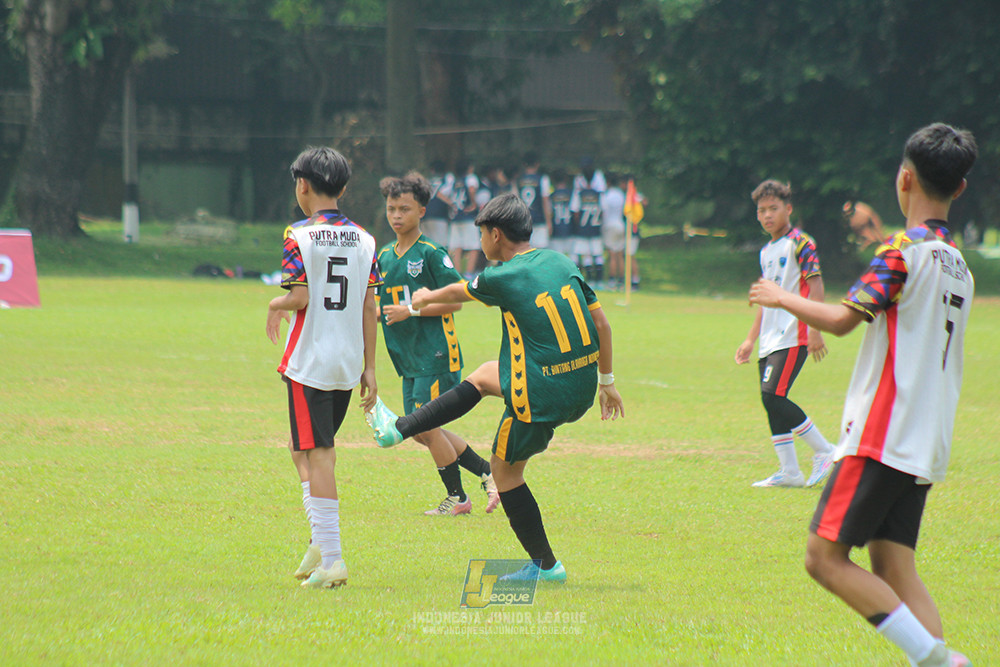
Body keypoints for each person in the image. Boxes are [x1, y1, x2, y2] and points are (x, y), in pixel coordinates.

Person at [749, 122, 976, 667]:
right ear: (960, 189)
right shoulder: (961, 266)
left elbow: (841, 320)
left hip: (882, 431)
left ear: (903, 180)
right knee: (894, 565)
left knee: (823, 557)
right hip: (927, 438)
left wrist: (781, 297)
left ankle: (942, 661)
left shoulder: (902, 251)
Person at [366, 193, 625, 583]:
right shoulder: (559, 260)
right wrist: (607, 382)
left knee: (504, 473)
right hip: (582, 385)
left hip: (540, 394)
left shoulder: (502, 276)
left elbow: (458, 292)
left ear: (496, 234)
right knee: (488, 373)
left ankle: (545, 566)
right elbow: (602, 325)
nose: (480, 244)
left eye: (482, 235)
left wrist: (422, 299)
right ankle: (400, 428)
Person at [265, 146, 381, 589]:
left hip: (309, 360)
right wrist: (371, 368)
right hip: (347, 361)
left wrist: (276, 304)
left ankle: (332, 558)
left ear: (302, 186)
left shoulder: (298, 234)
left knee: (319, 455)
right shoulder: (367, 239)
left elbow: (299, 297)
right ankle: (319, 539)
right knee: (302, 449)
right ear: (344, 188)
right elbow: (370, 306)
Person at [375, 172, 499, 516]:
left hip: (436, 354)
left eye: (405, 208)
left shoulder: (432, 253)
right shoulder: (384, 256)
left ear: (422, 211)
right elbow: (386, 306)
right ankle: (488, 472)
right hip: (409, 358)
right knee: (422, 431)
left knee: (425, 427)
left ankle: (458, 498)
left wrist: (412, 311)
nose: (397, 215)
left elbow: (457, 301)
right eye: (391, 209)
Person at [735, 179, 835, 488]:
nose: (767, 216)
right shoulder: (766, 251)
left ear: (788, 209)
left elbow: (816, 285)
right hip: (770, 339)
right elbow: (765, 300)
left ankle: (825, 450)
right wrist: (751, 339)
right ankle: (789, 471)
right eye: (761, 210)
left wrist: (816, 329)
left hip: (795, 333)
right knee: (770, 401)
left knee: (773, 396)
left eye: (773, 209)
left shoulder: (802, 243)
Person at [448, 158, 482, 280]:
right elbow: (472, 189)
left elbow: (442, 193)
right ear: (469, 168)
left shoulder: (453, 181)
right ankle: (469, 273)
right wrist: (474, 203)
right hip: (468, 216)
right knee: (474, 246)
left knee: (457, 246)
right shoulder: (471, 178)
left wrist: (451, 204)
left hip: (456, 216)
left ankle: (457, 274)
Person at [571, 174, 604, 286]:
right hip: (596, 228)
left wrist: (579, 224)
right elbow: (603, 211)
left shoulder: (579, 194)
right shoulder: (599, 194)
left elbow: (575, 212)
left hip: (583, 228)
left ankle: (590, 280)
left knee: (586, 255)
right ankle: (599, 281)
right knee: (598, 254)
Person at [516, 152, 553, 249]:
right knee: (540, 251)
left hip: (523, 221)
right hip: (539, 220)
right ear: (537, 164)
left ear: (524, 164)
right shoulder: (543, 179)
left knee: (525, 251)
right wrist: (549, 222)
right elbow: (545, 201)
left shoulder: (519, 180)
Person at [601, 173, 627, 289]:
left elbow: (604, 212)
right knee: (620, 254)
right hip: (620, 224)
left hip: (609, 225)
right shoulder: (621, 194)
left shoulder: (606, 195)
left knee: (611, 254)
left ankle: (611, 280)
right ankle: (621, 280)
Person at [424, 159, 455, 247]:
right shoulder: (447, 178)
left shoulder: (427, 181)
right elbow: (448, 192)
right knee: (440, 244)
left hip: (425, 215)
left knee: (427, 244)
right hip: (440, 215)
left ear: (432, 170)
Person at [548, 169, 575, 259]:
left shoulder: (551, 196)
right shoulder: (572, 194)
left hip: (556, 229)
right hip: (570, 228)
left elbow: (549, 212)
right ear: (566, 179)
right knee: (572, 257)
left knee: (557, 257)